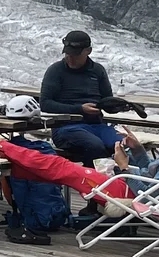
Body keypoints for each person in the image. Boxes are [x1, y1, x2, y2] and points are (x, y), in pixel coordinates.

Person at [0, 114, 134, 209]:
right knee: (50, 172)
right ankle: (0, 156)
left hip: (127, 191)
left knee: (57, 166)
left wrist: (124, 167)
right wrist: (139, 151)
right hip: (126, 184)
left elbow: (149, 190)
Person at [40, 30, 122, 163]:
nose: (70, 58)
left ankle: (127, 179)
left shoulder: (97, 71)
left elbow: (107, 100)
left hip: (96, 125)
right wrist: (80, 109)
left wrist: (117, 105)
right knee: (95, 146)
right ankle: (95, 180)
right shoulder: (56, 71)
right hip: (66, 127)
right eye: (68, 54)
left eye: (76, 55)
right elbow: (45, 103)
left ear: (88, 51)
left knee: (123, 145)